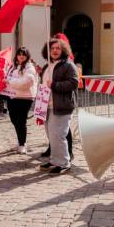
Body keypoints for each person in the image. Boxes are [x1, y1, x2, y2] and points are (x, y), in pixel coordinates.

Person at [39, 38, 78, 174]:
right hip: (46, 106)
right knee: (51, 135)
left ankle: (64, 163)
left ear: (63, 50)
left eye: (58, 48)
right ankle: (54, 160)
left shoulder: (68, 65)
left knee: (59, 135)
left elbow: (74, 83)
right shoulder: (46, 66)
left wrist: (55, 85)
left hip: (61, 106)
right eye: (52, 48)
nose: (55, 51)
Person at [4, 47, 37, 154]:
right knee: (14, 120)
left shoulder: (29, 68)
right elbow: (7, 77)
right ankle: (20, 142)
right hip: (12, 96)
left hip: (24, 98)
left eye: (23, 54)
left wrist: (9, 80)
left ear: (27, 56)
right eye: (19, 54)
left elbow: (25, 82)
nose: (21, 56)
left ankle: (23, 144)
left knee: (21, 121)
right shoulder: (13, 66)